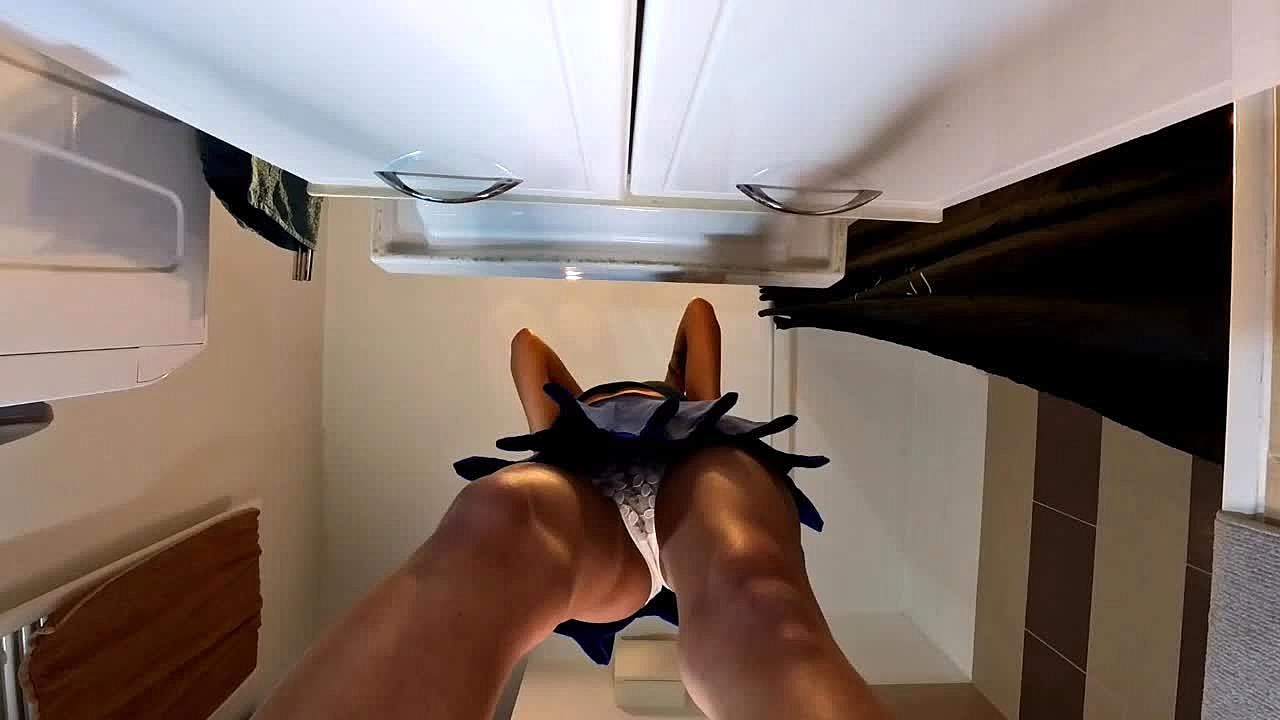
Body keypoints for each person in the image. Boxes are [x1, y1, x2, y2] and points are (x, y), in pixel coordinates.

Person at [255, 298, 886, 720]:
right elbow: (539, 347)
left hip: (695, 466)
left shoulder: (683, 410)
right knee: (495, 515)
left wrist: (666, 393)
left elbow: (693, 317)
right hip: (599, 511)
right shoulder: (572, 427)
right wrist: (592, 405)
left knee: (756, 592)